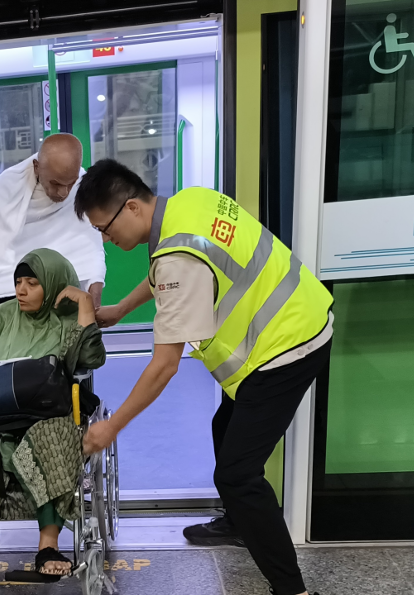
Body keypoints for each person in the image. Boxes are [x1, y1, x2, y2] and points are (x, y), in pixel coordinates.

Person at [75, 159, 334, 596]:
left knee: (237, 475)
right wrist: (121, 309)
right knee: (224, 426)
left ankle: (293, 589)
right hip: (299, 313)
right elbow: (170, 269)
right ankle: (238, 522)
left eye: (104, 227)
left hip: (286, 348)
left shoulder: (177, 256)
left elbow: (164, 365)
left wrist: (110, 427)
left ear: (133, 207)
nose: (105, 238)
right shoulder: (188, 203)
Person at [0, 248, 106, 584]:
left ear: (56, 286)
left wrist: (86, 307)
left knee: (54, 435)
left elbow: (91, 357)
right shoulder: (1, 318)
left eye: (32, 283)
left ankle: (48, 547)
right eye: (18, 282)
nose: (21, 290)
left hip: (43, 420)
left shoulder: (67, 322)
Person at [0, 134, 106, 330]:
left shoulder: (82, 186)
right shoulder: (7, 185)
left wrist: (94, 307)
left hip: (59, 297)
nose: (63, 193)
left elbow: (91, 251)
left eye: (69, 184)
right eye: (55, 183)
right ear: (37, 166)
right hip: (8, 292)